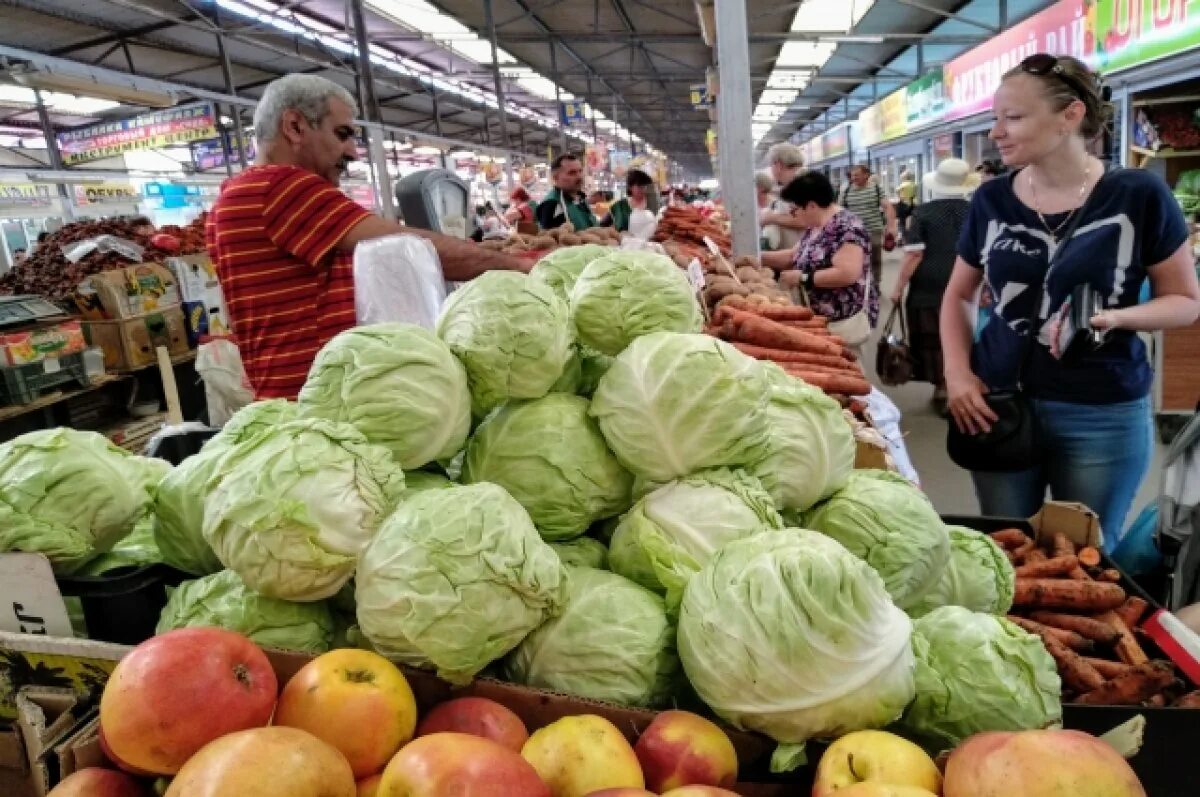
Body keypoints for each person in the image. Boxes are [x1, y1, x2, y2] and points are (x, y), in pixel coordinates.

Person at [941, 53, 1200, 542]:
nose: (996, 132)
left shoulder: (1137, 195)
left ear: (1071, 115)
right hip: (997, 404)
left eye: (1013, 118)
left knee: (1084, 558)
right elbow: (959, 294)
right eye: (996, 118)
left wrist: (1117, 318)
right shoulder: (992, 199)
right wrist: (957, 373)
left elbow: (1186, 300)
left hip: (1100, 411)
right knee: (1006, 546)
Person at [206, 74, 528, 401]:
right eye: (342, 134)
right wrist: (521, 267)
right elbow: (408, 249)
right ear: (295, 126)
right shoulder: (281, 187)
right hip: (327, 403)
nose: (353, 152)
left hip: (298, 399)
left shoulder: (232, 195)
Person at [890, 158, 975, 416]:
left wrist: (898, 287)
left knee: (933, 335)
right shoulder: (975, 210)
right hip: (968, 280)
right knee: (965, 332)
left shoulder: (923, 212)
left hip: (929, 284)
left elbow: (914, 254)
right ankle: (964, 383)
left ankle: (942, 386)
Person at [777, 171, 878, 354]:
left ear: (812, 206)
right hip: (821, 322)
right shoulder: (816, 226)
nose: (794, 216)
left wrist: (803, 277)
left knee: (848, 371)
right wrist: (757, 256)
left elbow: (847, 273)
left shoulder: (848, 228)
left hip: (841, 321)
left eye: (795, 210)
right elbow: (794, 255)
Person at [839, 163, 898, 294]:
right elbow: (840, 211)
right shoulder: (846, 191)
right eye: (852, 175)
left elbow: (888, 207)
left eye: (857, 175)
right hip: (854, 233)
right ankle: (860, 283)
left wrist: (891, 226)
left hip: (874, 229)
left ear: (866, 175)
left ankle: (875, 284)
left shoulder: (876, 189)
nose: (854, 178)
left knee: (875, 259)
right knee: (857, 259)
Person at [758, 143, 807, 255]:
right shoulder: (792, 184)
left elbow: (805, 220)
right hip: (795, 255)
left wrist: (770, 218)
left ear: (778, 165)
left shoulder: (802, 184)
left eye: (771, 165)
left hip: (801, 256)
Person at [537, 154, 596, 230]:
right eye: (572, 173)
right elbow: (550, 238)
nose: (579, 176)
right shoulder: (552, 204)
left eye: (580, 171)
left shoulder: (581, 198)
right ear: (555, 178)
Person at [895, 170, 917, 243]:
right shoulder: (914, 184)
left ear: (904, 177)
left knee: (901, 222)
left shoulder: (903, 184)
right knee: (912, 221)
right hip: (912, 204)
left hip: (903, 204)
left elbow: (897, 190)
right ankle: (911, 237)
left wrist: (900, 196)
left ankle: (902, 237)